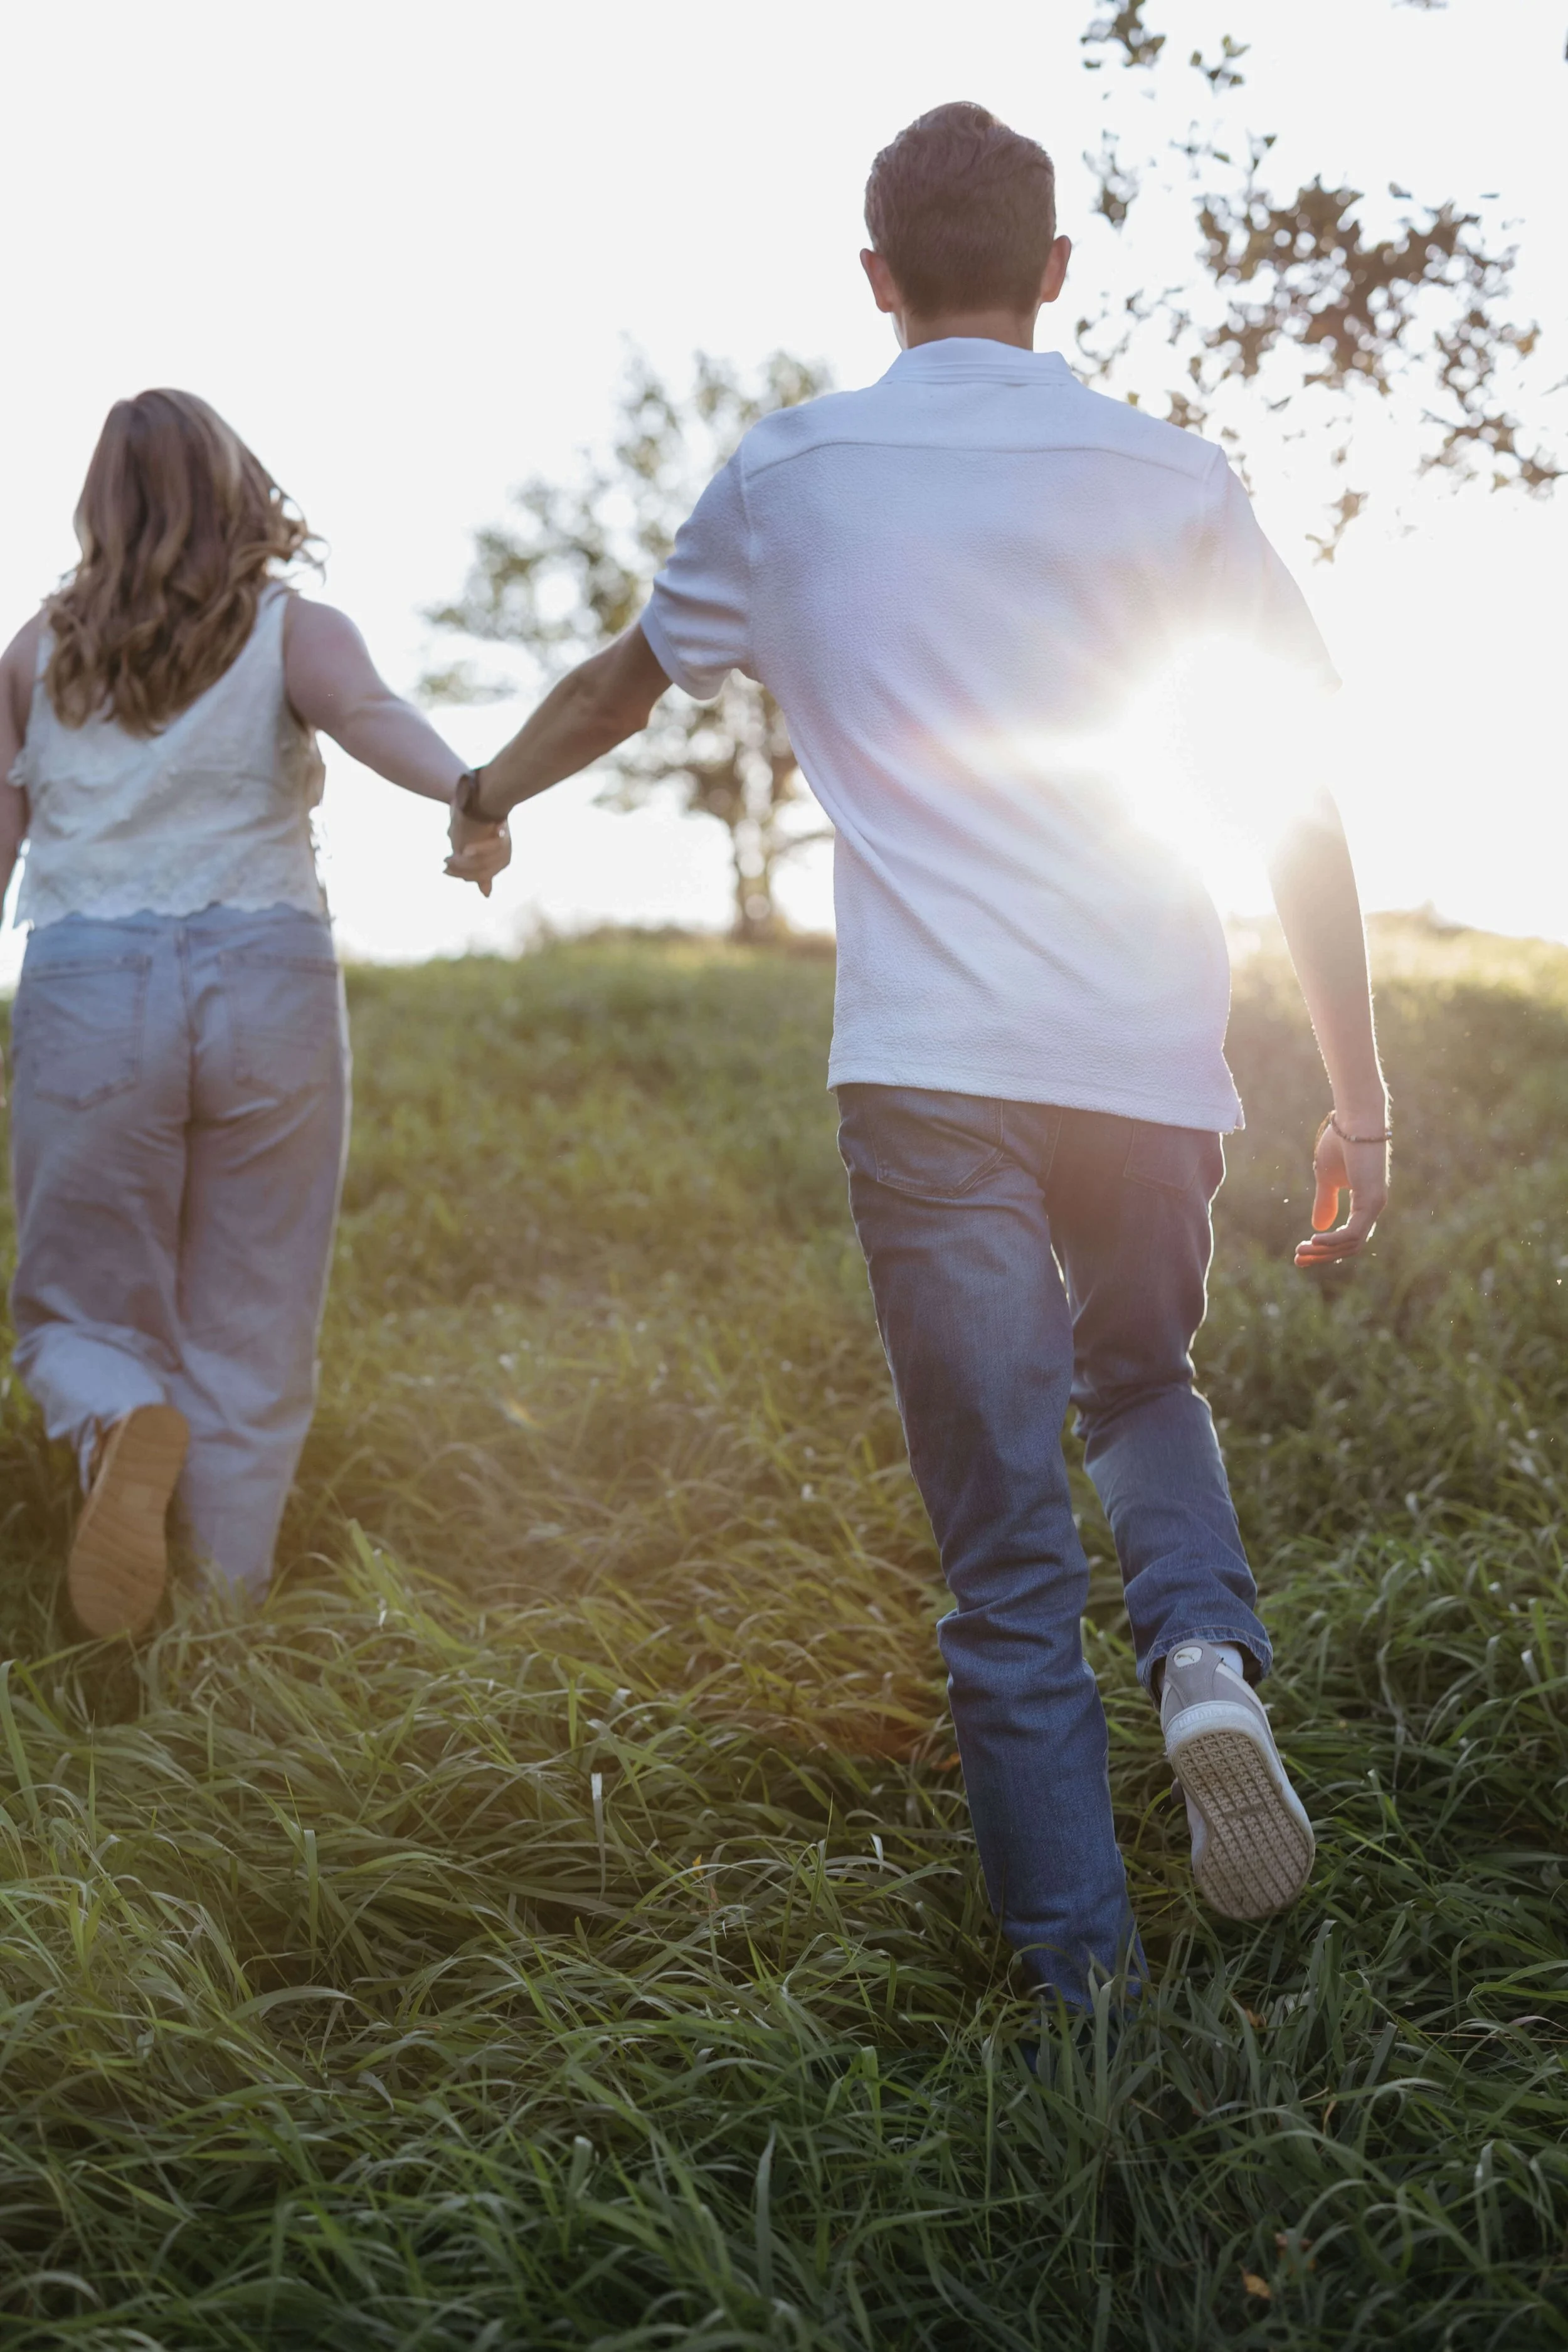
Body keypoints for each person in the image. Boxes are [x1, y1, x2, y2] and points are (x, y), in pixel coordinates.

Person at [447, 104, 1391, 2010]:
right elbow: (1289, 804)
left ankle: (1084, 2006)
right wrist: (1356, 1090)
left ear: (874, 276)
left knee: (1002, 1564)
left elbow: (627, 677)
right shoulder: (1173, 475)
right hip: (1140, 1053)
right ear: (1055, 268)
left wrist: (487, 791)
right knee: (1140, 1380)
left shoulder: (792, 472)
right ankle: (1203, 1657)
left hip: (927, 1070)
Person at [0, 388, 509, 1638]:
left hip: (87, 986)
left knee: (77, 1304)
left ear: (99, 508)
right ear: (239, 492)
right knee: (254, 1312)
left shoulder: (33, 653)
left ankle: (119, 1409)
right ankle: (221, 1633)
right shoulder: (293, 629)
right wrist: (470, 794)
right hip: (264, 974)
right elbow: (377, 718)